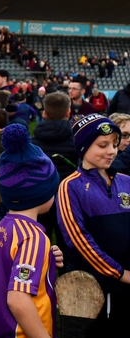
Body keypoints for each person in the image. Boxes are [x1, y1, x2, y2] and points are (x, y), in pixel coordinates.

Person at [57, 114, 130, 334]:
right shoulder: (70, 187)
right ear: (83, 147)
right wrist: (120, 273)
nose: (112, 151)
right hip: (94, 290)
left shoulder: (125, 181)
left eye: (115, 145)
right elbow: (79, 241)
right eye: (102, 145)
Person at [0, 123, 60, 338]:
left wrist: (47, 257)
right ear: (42, 194)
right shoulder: (33, 237)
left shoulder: (4, 226)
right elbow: (18, 300)